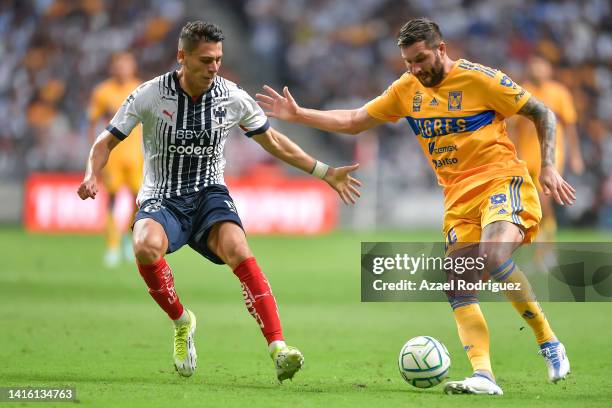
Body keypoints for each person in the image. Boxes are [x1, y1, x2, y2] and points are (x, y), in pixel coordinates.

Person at [257, 17, 575, 395]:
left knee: (493, 254)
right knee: (458, 286)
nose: (415, 69)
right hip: (457, 198)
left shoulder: (482, 79)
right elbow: (357, 119)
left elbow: (542, 112)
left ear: (441, 49)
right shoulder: (407, 89)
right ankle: (483, 376)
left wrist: (550, 166)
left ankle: (548, 342)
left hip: (501, 180)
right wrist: (300, 114)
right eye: (408, 62)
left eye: (420, 59)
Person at [77, 21, 361, 382]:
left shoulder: (231, 96)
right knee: (146, 246)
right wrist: (91, 174)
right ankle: (183, 322)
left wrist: (324, 171)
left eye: (218, 60)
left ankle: (279, 348)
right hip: (162, 196)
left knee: (238, 248)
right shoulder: (149, 94)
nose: (214, 68)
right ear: (182, 56)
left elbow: (273, 142)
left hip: (209, 193)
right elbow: (104, 142)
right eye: (206, 60)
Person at [512, 56, 584, 263]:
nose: (537, 69)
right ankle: (542, 250)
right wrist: (513, 152)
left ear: (549, 70)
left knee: (543, 200)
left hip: (551, 155)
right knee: (532, 204)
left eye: (540, 66)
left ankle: (545, 252)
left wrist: (576, 155)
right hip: (526, 155)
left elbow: (569, 125)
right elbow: (514, 126)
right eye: (533, 65)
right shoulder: (521, 91)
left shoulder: (559, 92)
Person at [88, 52, 143, 267]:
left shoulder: (140, 88)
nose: (122, 69)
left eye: (126, 65)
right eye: (119, 65)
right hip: (113, 156)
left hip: (137, 156)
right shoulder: (103, 92)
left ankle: (129, 240)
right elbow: (92, 121)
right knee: (111, 200)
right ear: (112, 67)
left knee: (137, 201)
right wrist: (94, 151)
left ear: (133, 67)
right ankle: (112, 246)